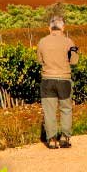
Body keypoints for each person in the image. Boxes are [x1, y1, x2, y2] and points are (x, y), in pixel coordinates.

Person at [36, 14, 79, 149]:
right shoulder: (69, 42)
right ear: (63, 28)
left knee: (49, 111)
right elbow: (74, 61)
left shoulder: (42, 42)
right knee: (66, 109)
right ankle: (65, 137)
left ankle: (52, 139)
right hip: (64, 80)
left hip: (47, 80)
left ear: (49, 28)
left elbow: (39, 60)